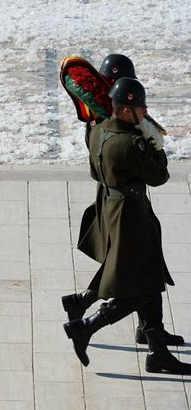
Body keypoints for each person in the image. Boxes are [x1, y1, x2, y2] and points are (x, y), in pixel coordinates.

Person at [63, 77, 190, 374]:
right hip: (131, 219)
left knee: (147, 278)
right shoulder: (130, 144)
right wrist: (156, 147)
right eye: (141, 109)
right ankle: (86, 326)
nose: (144, 114)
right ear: (126, 111)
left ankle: (157, 352)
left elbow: (96, 171)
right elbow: (159, 177)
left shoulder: (97, 131)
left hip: (112, 208)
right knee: (143, 287)